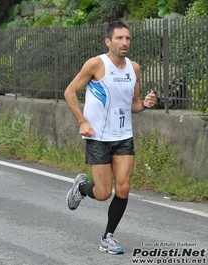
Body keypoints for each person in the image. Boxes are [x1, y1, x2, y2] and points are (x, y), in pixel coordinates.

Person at [64, 20, 156, 255]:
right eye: (119, 38)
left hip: (124, 136)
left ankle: (108, 237)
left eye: (127, 38)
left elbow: (133, 104)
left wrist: (144, 104)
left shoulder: (134, 68)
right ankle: (82, 188)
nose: (125, 42)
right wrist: (83, 122)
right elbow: (70, 92)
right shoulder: (96, 64)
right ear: (108, 41)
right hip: (98, 137)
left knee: (123, 187)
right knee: (104, 193)